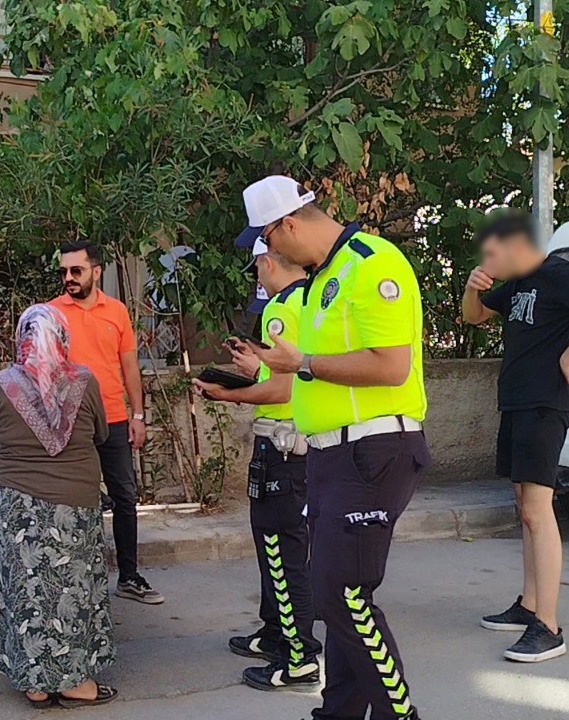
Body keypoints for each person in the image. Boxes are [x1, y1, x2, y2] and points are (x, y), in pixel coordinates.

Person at [237, 175, 431, 720]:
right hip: (329, 456)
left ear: (287, 225)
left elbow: (391, 367)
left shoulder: (372, 263)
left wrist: (302, 363)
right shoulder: (325, 277)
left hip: (373, 449)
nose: (270, 253)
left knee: (342, 594)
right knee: (336, 598)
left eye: (267, 240)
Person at [461, 211, 569, 663]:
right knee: (525, 508)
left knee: (537, 510)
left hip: (544, 405)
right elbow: (474, 317)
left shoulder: (556, 272)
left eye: (493, 253)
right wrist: (473, 287)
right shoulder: (517, 283)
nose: (488, 261)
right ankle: (529, 605)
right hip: (517, 404)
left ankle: (548, 627)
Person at [192, 238, 322, 692]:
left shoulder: (282, 308)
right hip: (301, 445)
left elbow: (284, 390)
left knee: (281, 550)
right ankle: (274, 633)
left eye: (256, 269)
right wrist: (256, 368)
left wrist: (227, 393)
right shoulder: (314, 299)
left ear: (266, 263)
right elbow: (295, 375)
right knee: (283, 546)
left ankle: (299, 655)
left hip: (282, 447)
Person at [0, 304, 118, 709]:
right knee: (72, 591)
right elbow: (101, 433)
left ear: (21, 338)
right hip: (74, 504)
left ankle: (36, 685)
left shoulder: (3, 384)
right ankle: (76, 682)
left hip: (17, 505)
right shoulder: (85, 382)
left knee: (27, 592)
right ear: (63, 339)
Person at [49, 241, 163, 605]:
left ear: (96, 272)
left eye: (76, 271)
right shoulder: (51, 313)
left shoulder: (116, 311)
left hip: (114, 418)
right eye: (64, 272)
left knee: (125, 497)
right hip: (72, 424)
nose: (69, 278)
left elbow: (129, 366)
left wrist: (138, 416)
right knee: (73, 500)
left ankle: (128, 576)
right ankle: (74, 577)